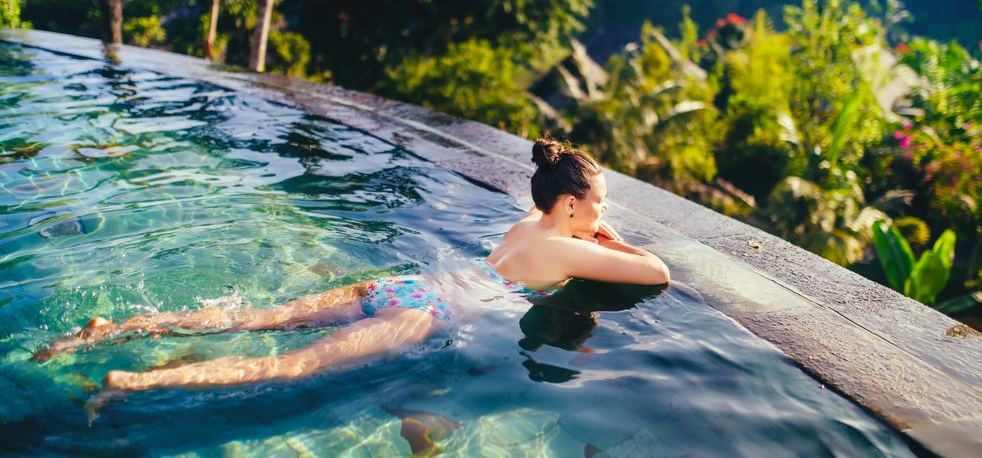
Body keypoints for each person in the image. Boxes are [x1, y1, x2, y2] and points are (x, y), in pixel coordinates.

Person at [34, 138, 670, 391]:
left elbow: (559, 237)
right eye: (598, 201)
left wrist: (591, 224)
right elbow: (656, 273)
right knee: (291, 366)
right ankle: (133, 383)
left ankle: (118, 329)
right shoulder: (561, 243)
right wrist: (608, 237)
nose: (603, 212)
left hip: (405, 285)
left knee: (257, 319)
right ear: (567, 202)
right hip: (431, 312)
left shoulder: (528, 223)